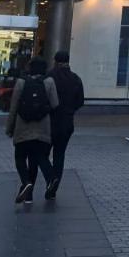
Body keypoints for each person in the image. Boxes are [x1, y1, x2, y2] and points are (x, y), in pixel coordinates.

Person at [5, 56, 60, 205]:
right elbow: (55, 104)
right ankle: (51, 178)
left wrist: (10, 128)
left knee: (20, 157)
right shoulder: (49, 82)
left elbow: (14, 107)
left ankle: (26, 182)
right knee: (40, 157)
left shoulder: (21, 82)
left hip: (23, 127)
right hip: (42, 128)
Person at [48, 50, 85, 197]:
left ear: (56, 61)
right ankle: (54, 187)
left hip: (51, 121)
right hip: (67, 121)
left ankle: (50, 177)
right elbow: (80, 101)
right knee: (60, 154)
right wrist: (70, 110)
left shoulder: (50, 76)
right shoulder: (76, 78)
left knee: (43, 153)